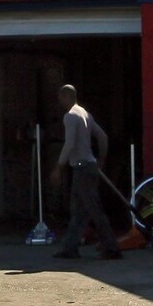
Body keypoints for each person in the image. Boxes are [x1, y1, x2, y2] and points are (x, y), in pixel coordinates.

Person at [51, 84, 121, 261]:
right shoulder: (85, 114)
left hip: (81, 169)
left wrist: (59, 167)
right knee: (80, 211)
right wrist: (101, 159)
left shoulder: (70, 116)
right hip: (89, 166)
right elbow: (103, 137)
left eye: (61, 98)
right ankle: (70, 248)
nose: (60, 102)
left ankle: (112, 248)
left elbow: (69, 144)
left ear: (66, 97)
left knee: (94, 210)